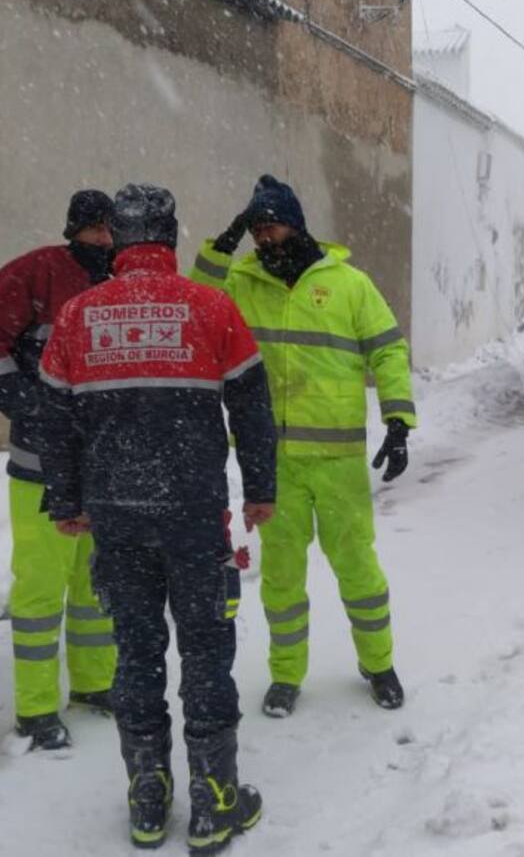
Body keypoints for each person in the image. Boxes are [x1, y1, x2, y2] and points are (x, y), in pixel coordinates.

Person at [38, 184, 277, 852]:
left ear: (114, 237)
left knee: (135, 654)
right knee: (206, 651)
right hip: (194, 515)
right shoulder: (210, 307)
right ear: (169, 239)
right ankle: (215, 798)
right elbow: (251, 407)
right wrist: (260, 487)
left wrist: (67, 499)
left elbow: (54, 420)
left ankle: (148, 795)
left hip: (117, 516)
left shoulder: (78, 315)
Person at [192, 175, 415, 718]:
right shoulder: (242, 282)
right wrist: (222, 244)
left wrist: (399, 418)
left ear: (296, 224)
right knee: (282, 577)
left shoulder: (347, 283)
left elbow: (387, 350)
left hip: (337, 461)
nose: (265, 239)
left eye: (272, 226)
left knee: (358, 571)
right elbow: (196, 301)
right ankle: (286, 675)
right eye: (257, 230)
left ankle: (378, 663)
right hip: (273, 461)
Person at [0, 189, 117, 750]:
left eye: (109, 230)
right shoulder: (35, 273)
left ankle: (94, 685)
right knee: (41, 587)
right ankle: (37, 708)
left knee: (93, 585)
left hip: (100, 466)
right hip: (40, 465)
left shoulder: (120, 283)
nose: (103, 240)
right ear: (73, 229)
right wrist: (26, 404)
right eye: (93, 230)